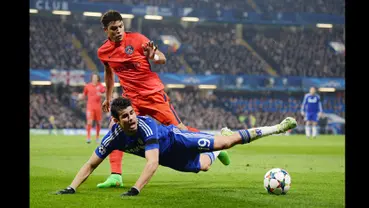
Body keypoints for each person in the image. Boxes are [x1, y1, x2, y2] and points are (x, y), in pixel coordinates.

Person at [55, 97, 297, 197]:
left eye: (132, 113)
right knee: (203, 167)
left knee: (228, 141)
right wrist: (71, 188)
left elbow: (152, 162)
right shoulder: (113, 138)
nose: (131, 118)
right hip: (170, 158)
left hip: (178, 139)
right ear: (117, 120)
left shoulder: (146, 126)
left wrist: (136, 190)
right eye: (125, 116)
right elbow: (91, 164)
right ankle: (215, 152)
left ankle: (277, 127)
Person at [95, 9, 204, 187]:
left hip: (153, 95)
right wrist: (108, 98)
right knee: (115, 129)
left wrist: (153, 56)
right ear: (106, 31)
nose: (119, 31)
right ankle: (116, 175)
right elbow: (108, 74)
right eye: (114, 28)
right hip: (131, 99)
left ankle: (210, 143)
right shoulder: (103, 52)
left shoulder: (137, 39)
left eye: (121, 26)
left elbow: (162, 58)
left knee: (180, 131)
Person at [80, 73, 106, 144]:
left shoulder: (101, 86)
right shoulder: (87, 86)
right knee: (89, 122)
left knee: (98, 123)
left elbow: (106, 94)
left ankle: (97, 138)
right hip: (90, 107)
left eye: (96, 77)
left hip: (98, 107)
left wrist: (101, 94)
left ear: (98, 78)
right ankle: (88, 137)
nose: (94, 79)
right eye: (93, 77)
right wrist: (80, 97)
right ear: (91, 78)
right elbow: (83, 95)